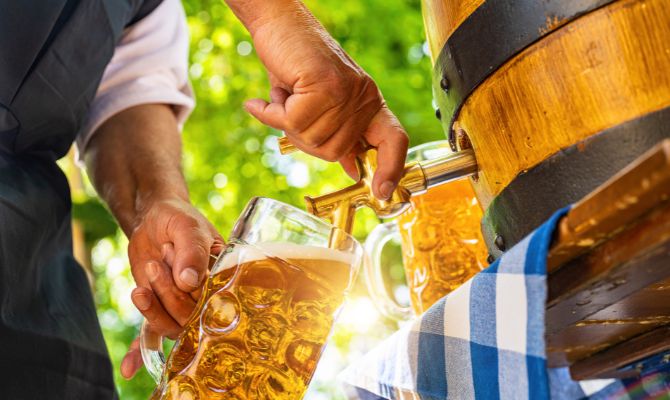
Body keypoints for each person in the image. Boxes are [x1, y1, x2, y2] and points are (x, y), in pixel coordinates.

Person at [0, 0, 408, 397]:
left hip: (36, 302)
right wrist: (273, 13)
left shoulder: (146, 9)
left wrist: (156, 202)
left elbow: (123, 84)